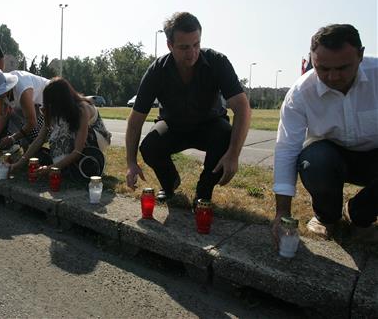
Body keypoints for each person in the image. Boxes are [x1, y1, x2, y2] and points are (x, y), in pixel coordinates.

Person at [125, 12, 251, 205]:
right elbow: (135, 121)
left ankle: (203, 193)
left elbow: (243, 109)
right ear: (169, 45)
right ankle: (169, 183)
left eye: (196, 44)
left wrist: (233, 155)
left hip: (210, 125)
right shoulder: (157, 71)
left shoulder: (217, 62)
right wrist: (131, 163)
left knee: (225, 135)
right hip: (173, 126)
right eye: (184, 47)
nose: (192, 53)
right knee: (150, 146)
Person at [272, 24, 378, 245]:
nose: (332, 77)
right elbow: (286, 149)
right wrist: (282, 211)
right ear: (312, 59)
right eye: (322, 68)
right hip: (331, 159)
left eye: (342, 68)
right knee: (314, 159)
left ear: (360, 55)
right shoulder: (301, 93)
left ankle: (361, 214)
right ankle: (327, 217)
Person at [9, 78, 111, 181]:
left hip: (96, 140)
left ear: (61, 101)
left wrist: (50, 169)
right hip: (74, 145)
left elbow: (77, 151)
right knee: (51, 144)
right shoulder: (54, 109)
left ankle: (84, 163)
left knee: (62, 136)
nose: (50, 107)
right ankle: (64, 164)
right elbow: (39, 139)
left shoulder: (82, 109)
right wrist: (19, 164)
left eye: (52, 103)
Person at [0, 68, 50, 150]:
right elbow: (4, 113)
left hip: (50, 105)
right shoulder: (3, 91)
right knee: (15, 121)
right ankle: (24, 148)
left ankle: (34, 148)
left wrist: (12, 138)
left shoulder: (23, 90)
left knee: (33, 134)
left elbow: (32, 122)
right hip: (35, 108)